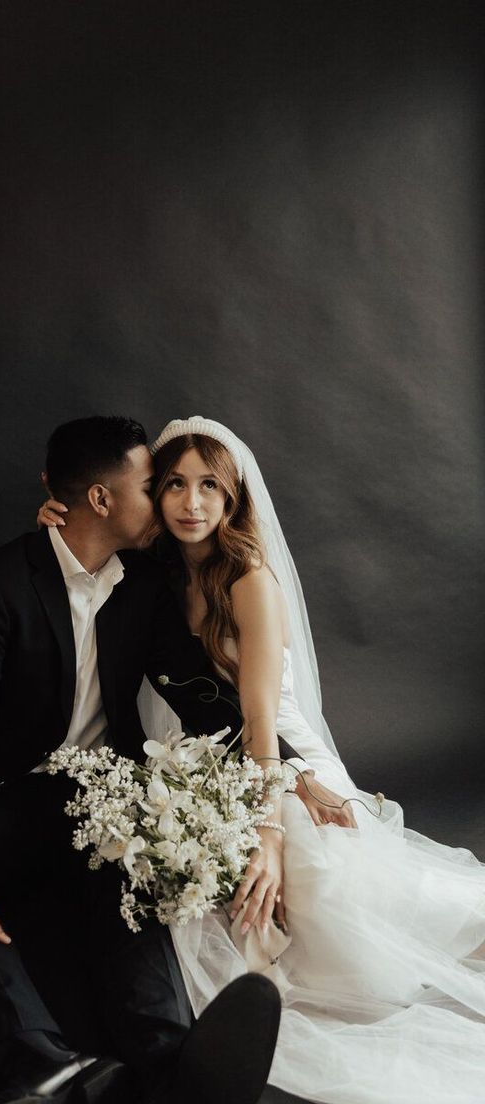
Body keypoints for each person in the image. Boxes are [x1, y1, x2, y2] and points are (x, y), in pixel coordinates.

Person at [38, 415, 485, 1104]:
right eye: (176, 486)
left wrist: (270, 829)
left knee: (339, 928)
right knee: (189, 905)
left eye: (210, 487)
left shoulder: (246, 580)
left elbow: (257, 720)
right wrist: (54, 519)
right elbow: (88, 550)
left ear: (234, 498)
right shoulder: (151, 573)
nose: (192, 504)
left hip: (277, 757)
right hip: (203, 766)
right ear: (154, 497)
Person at [0, 416, 309, 1104]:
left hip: (100, 802)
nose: (174, 502)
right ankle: (38, 1071)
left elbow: (204, 698)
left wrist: (294, 775)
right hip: (5, 802)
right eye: (156, 485)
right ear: (103, 501)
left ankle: (177, 1070)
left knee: (133, 873)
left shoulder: (145, 583)